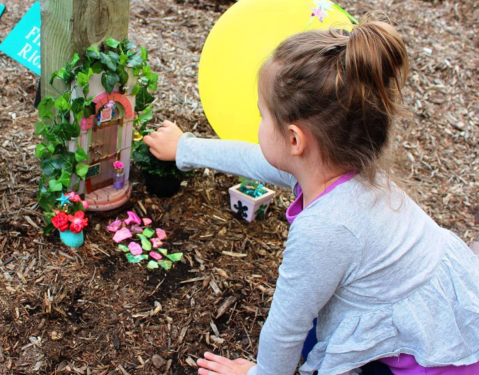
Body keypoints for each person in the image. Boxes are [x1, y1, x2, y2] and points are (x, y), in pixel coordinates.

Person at [143, 15, 479, 375]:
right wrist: (184, 148)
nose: (259, 125)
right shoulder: (346, 164)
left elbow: (286, 329)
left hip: (431, 359)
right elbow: (252, 159)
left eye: (262, 116)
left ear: (294, 140)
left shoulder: (325, 229)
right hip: (435, 312)